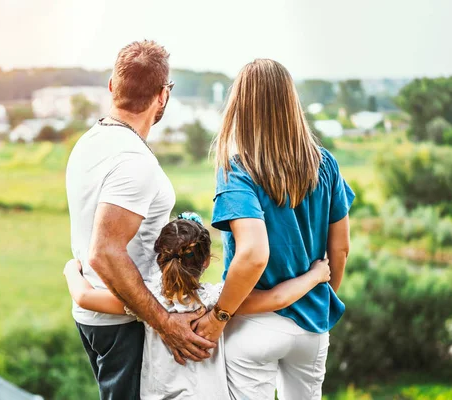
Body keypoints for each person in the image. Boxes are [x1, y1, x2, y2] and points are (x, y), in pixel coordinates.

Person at [192, 59, 355, 399]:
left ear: (241, 107)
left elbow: (253, 255)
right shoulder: (325, 164)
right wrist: (320, 299)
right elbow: (340, 249)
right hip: (311, 325)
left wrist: (219, 316)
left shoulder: (237, 171)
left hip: (254, 324)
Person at [65, 40, 215, 400]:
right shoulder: (135, 163)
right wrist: (165, 324)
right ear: (163, 95)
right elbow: (105, 252)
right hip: (123, 323)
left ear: (113, 86)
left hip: (99, 309)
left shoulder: (88, 142)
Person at [64, 212, 332, 399]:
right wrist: (316, 276)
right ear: (206, 262)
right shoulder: (215, 302)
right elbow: (277, 299)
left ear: (161, 258)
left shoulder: (148, 303)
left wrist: (70, 270)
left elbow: (85, 298)